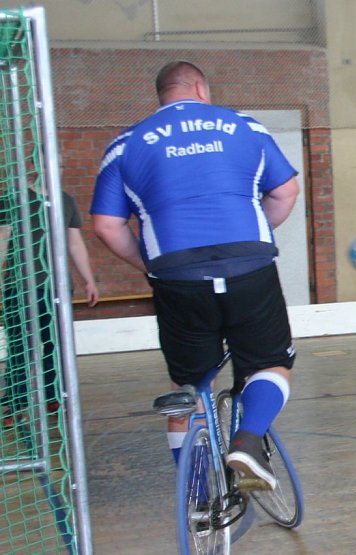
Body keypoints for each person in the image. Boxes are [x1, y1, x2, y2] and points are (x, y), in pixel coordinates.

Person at [91, 61, 300, 490]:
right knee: (270, 364)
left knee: (186, 383)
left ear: (162, 94)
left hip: (177, 275)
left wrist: (149, 264)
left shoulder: (124, 145)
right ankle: (247, 439)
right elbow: (285, 191)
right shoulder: (246, 127)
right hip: (248, 265)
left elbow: (105, 226)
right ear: (201, 88)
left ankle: (200, 497)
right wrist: (253, 235)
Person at [1, 190, 99, 427]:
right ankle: (15, 403)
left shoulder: (65, 200)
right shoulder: (12, 198)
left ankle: (53, 397)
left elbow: (74, 242)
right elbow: (3, 239)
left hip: (56, 287)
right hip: (21, 287)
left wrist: (89, 279)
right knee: (20, 347)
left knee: (55, 344)